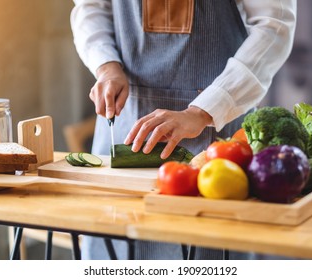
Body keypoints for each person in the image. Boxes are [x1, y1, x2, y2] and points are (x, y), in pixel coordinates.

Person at [71, 0, 297, 260]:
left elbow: (274, 26)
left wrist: (202, 111)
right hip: (123, 121)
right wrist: (106, 67)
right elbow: (90, 7)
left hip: (216, 133)